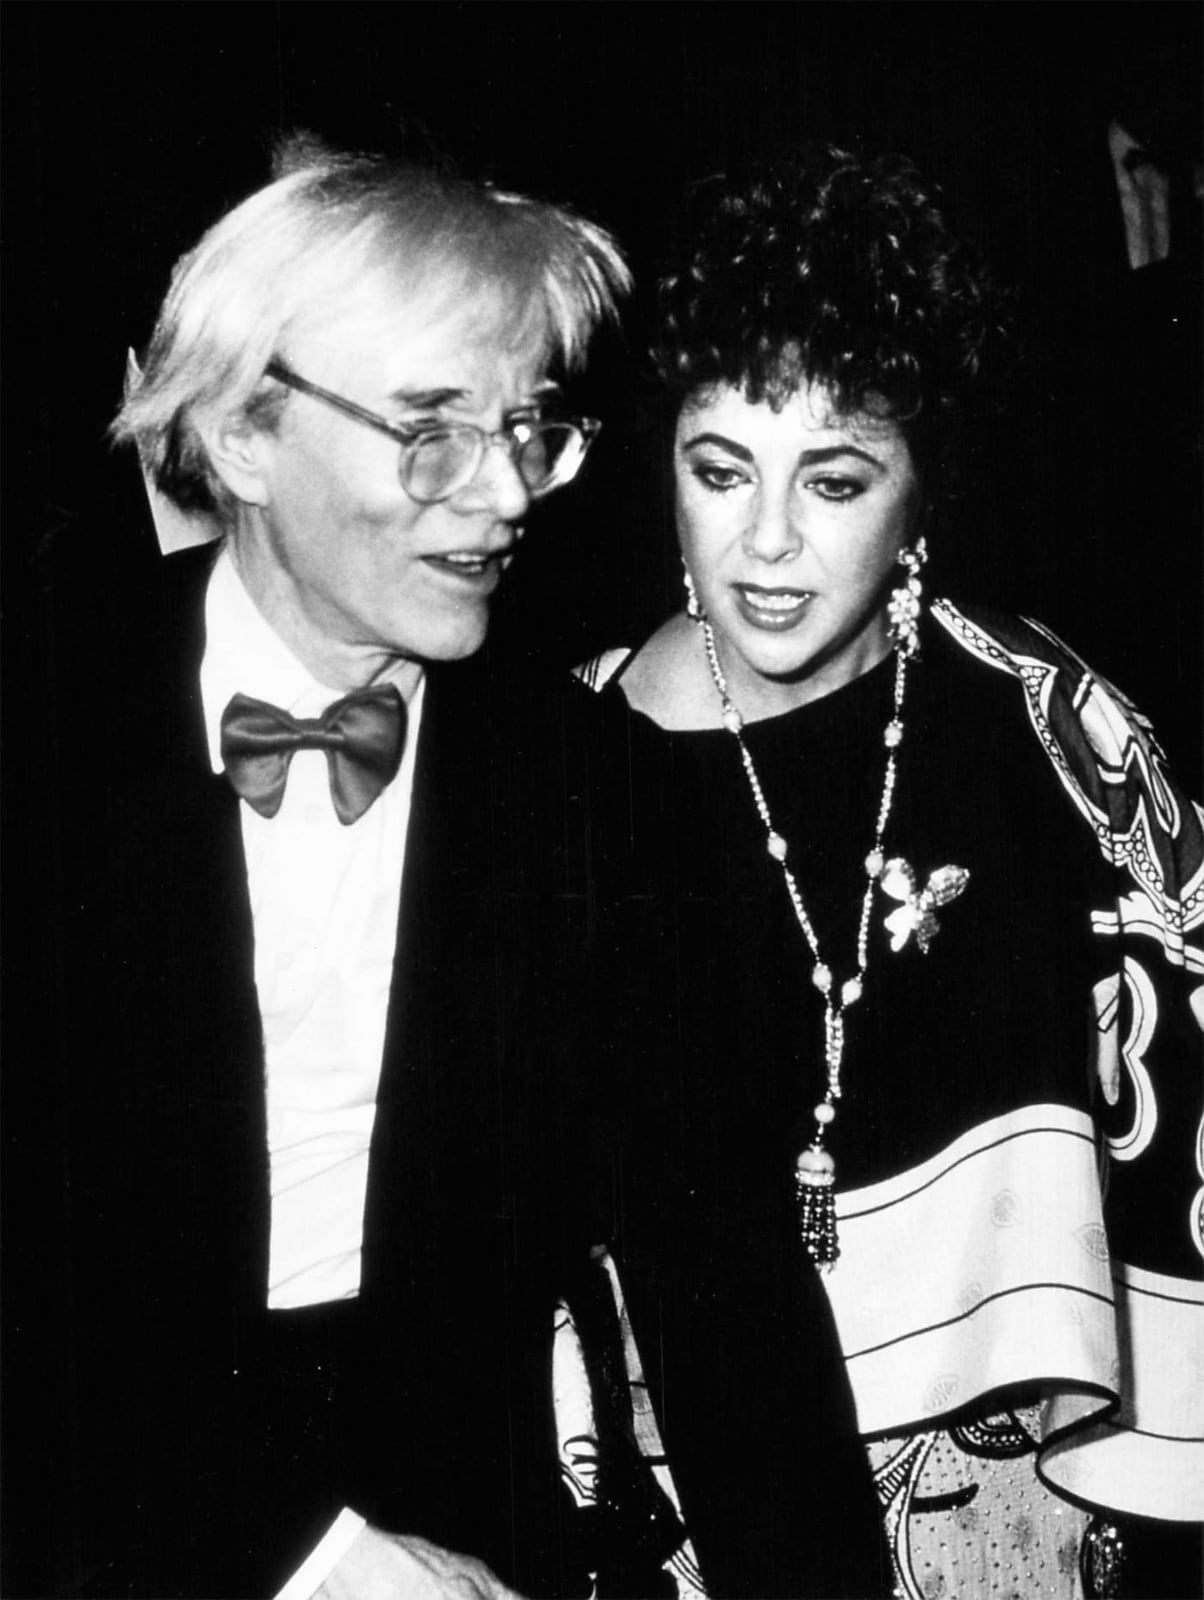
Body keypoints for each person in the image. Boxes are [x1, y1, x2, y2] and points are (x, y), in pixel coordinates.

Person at [570, 148, 1203, 1598]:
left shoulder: (1055, 726)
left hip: (1038, 1522)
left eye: (836, 478)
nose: (770, 542)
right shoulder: (561, 775)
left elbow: (1188, 1142)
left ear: (921, 492)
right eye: (719, 469)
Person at [3, 137, 627, 1599]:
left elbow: (718, 1285)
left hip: (470, 1500)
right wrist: (296, 1550)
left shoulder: (585, 779)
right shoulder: (40, 728)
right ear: (242, 439)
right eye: (433, 430)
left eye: (532, 428)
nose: (508, 494)